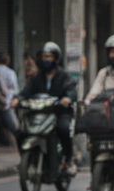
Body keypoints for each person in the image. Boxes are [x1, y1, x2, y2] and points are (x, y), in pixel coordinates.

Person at [12, 42, 77, 175]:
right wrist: (17, 99)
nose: (46, 60)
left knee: (63, 129)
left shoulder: (63, 76)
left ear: (56, 58)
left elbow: (71, 90)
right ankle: (28, 158)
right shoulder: (36, 77)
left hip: (59, 112)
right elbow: (26, 91)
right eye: (43, 57)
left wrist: (67, 99)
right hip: (38, 113)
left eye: (49, 57)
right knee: (21, 132)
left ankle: (68, 159)